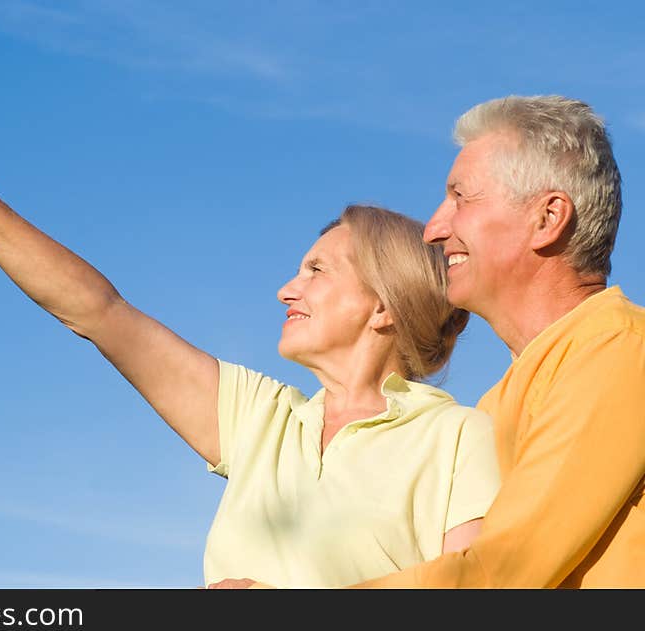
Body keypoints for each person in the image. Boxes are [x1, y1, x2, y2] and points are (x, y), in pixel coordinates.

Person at [0, 97, 500, 589]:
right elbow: (97, 311)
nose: (284, 289)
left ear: (383, 306)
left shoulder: (457, 440)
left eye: (316, 270)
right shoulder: (262, 420)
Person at [246, 94, 645, 589]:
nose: (434, 228)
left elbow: (499, 572)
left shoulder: (620, 351)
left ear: (547, 219)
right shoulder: (495, 406)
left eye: (462, 197)